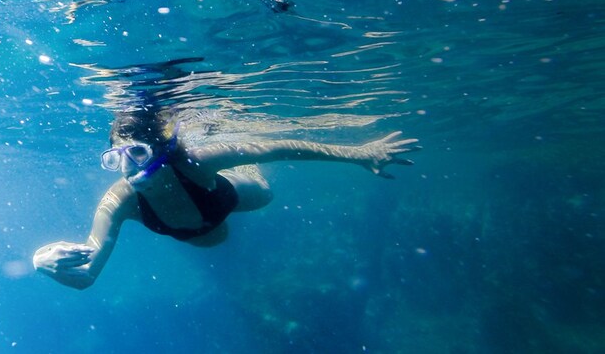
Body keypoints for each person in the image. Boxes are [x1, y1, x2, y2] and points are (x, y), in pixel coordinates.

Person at [33, 107, 419, 289]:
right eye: (114, 157)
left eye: (137, 153)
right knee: (216, 240)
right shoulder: (120, 200)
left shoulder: (197, 161)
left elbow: (279, 147)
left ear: (163, 153)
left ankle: (238, 167)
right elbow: (87, 274)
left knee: (265, 191)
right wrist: (43, 262)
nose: (126, 169)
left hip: (227, 199)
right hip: (198, 235)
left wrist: (358, 154)